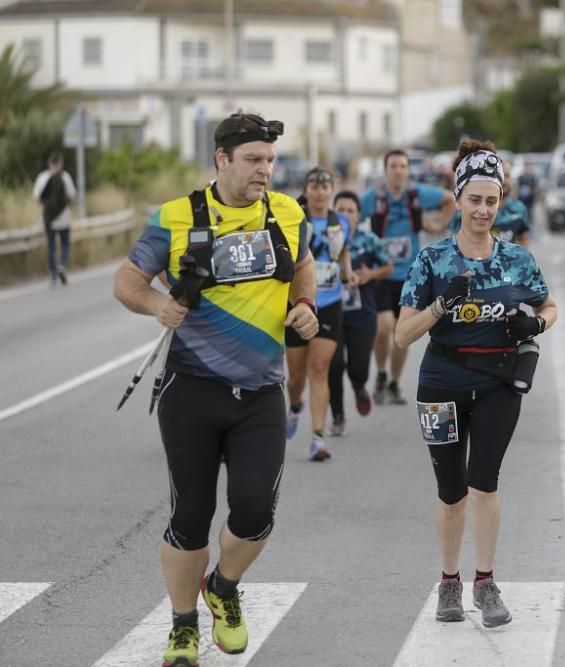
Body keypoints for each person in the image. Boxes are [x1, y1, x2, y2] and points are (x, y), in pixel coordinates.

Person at [112, 111, 318, 667]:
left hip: (260, 393)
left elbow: (303, 265)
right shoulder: (176, 218)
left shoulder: (287, 213)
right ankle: (182, 628)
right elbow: (127, 280)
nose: (265, 171)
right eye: (253, 160)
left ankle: (223, 587)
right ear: (221, 160)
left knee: (254, 512)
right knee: (190, 515)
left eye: (270, 161)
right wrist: (159, 304)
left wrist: (304, 306)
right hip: (191, 390)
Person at [394, 140, 558, 628]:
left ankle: (485, 583)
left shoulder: (517, 260)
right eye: (474, 200)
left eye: (492, 201)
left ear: (500, 201)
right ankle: (449, 581)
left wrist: (537, 325)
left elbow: (549, 306)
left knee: (484, 482)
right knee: (451, 492)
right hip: (441, 384)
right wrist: (440, 305)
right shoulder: (432, 261)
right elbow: (403, 335)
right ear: (458, 198)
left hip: (498, 384)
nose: (483, 210)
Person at [360, 149, 456, 406]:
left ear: (408, 170)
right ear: (385, 170)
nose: (398, 171)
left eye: (403, 166)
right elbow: (349, 216)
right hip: (382, 274)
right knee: (384, 329)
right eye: (393, 166)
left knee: (403, 334)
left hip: (410, 277)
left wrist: (438, 225)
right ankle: (380, 372)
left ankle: (394, 381)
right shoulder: (374, 197)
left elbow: (450, 199)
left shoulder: (417, 194)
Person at [283, 167, 358, 461]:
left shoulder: (340, 221)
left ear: (332, 190)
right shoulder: (293, 218)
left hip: (329, 302)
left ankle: (317, 437)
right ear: (306, 190)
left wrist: (348, 270)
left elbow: (344, 251)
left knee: (319, 368)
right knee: (296, 376)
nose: (320, 191)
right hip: (297, 303)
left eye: (325, 187)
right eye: (314, 186)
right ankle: (295, 404)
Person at [327, 190, 393, 436]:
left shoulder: (368, 239)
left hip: (362, 314)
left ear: (358, 216)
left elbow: (388, 266)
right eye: (340, 210)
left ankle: (359, 386)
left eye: (350, 211)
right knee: (333, 366)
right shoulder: (324, 239)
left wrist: (370, 275)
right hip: (331, 313)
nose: (345, 215)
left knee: (359, 368)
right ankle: (337, 416)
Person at [447, 158, 531, 246]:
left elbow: (523, 241)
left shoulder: (519, 208)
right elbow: (453, 241)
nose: (503, 180)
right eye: (498, 175)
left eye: (506, 175)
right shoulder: (466, 207)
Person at [33, 153, 77, 286]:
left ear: (49, 164)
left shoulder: (43, 177)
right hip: (64, 217)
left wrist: (48, 207)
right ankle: (62, 266)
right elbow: (72, 196)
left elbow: (36, 197)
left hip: (48, 218)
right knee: (65, 244)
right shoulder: (65, 177)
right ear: (60, 164)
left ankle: (53, 275)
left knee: (51, 246)